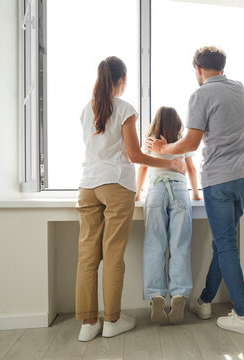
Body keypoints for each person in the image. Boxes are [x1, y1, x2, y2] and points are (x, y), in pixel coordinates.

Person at [147, 46, 244, 335]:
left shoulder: (200, 95)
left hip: (219, 180)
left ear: (198, 69)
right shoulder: (239, 89)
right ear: (222, 66)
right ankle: (205, 301)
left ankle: (243, 316)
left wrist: (163, 149)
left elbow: (191, 144)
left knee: (226, 245)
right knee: (223, 244)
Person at [76, 56, 186, 342]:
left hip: (87, 186)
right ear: (122, 80)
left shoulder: (86, 110)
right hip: (115, 186)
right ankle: (112, 321)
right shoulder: (125, 109)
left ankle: (88, 324)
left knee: (87, 256)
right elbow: (136, 156)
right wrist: (170, 164)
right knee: (112, 255)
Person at [135, 106, 200, 325]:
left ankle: (157, 295)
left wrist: (136, 194)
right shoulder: (181, 142)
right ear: (177, 124)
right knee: (180, 245)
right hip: (180, 193)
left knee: (154, 244)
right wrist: (197, 194)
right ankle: (179, 294)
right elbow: (190, 168)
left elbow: (143, 168)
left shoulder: (150, 142)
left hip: (155, 192)